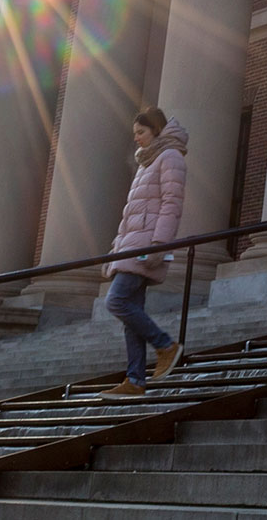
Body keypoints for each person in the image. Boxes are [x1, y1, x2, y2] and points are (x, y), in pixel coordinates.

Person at [102, 107, 188, 395]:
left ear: (157, 130)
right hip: (130, 247)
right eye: (135, 133)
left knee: (115, 302)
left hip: (146, 246)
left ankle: (165, 345)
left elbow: (171, 204)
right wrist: (115, 250)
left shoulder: (170, 157)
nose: (136, 138)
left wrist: (159, 245)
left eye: (141, 132)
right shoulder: (145, 164)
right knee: (131, 312)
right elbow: (130, 215)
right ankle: (135, 379)